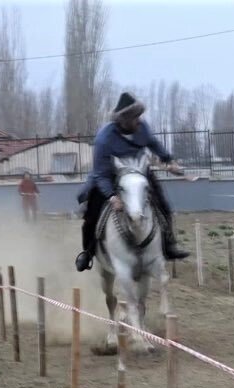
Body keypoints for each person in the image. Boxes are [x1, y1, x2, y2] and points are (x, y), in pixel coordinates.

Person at [74, 92, 189, 272]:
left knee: (162, 202)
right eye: (135, 117)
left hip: (139, 170)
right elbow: (100, 175)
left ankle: (169, 245)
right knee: (92, 210)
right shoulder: (104, 139)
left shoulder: (142, 128)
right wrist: (112, 197)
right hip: (109, 174)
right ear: (124, 119)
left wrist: (169, 160)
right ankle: (87, 252)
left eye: (139, 116)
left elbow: (154, 144)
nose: (139, 120)